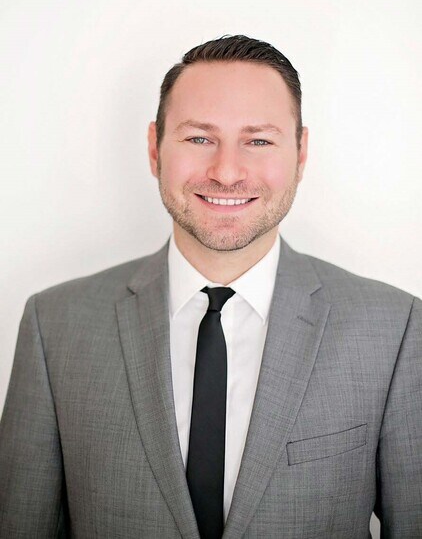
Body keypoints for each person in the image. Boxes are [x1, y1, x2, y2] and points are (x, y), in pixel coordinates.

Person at [0, 35, 421, 539]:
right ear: (155, 148)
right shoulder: (54, 325)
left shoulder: (395, 329)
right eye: (199, 138)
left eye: (258, 141)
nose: (226, 172)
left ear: (301, 153)